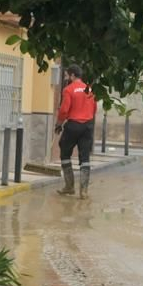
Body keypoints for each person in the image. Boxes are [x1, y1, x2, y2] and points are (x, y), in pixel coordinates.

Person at [55, 64, 97, 199]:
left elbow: (64, 110)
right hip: (88, 126)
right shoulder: (89, 89)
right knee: (85, 157)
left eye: (67, 75)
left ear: (73, 75)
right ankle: (83, 191)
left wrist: (59, 124)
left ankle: (69, 186)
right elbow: (94, 109)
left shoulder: (68, 89)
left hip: (73, 125)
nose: (66, 78)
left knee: (65, 151)